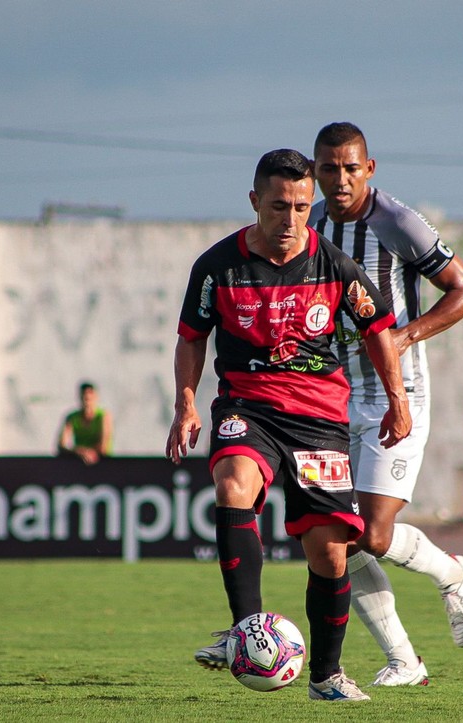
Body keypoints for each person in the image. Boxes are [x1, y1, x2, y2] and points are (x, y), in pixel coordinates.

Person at [165, 148, 412, 702]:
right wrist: (186, 402)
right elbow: (191, 338)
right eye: (279, 206)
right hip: (246, 406)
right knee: (233, 483)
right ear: (255, 202)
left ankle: (326, 677)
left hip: (319, 418)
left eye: (302, 207)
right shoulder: (217, 266)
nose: (291, 219)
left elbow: (378, 329)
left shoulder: (332, 265)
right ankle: (245, 630)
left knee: (328, 552)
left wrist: (397, 398)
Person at [309, 122, 463, 687]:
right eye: (329, 168)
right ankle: (403, 660)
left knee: (373, 535)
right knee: (337, 533)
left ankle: (453, 574)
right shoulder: (308, 224)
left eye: (350, 167)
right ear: (316, 170)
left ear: (370, 168)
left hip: (396, 393)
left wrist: (405, 337)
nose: (340, 179)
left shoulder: (397, 222)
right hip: (333, 400)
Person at [57, 382, 112, 465]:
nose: (87, 398)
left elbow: (103, 447)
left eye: (90, 396)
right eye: (84, 396)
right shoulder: (72, 417)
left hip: (103, 464)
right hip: (78, 463)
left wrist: (89, 453)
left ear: (96, 397)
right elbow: (61, 446)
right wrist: (80, 452)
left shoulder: (103, 416)